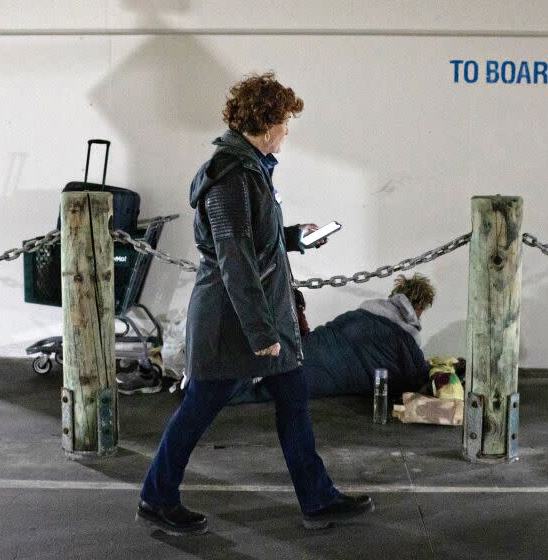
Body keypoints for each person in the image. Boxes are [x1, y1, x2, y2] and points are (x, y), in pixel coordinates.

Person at [136, 72, 374, 537]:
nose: (288, 129)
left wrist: (295, 239)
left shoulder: (251, 170)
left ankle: (318, 500)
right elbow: (235, 261)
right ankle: (156, 496)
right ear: (266, 123)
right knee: (200, 406)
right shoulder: (230, 175)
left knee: (293, 400)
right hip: (232, 321)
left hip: (258, 315)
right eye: (286, 120)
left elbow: (253, 243)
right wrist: (262, 333)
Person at [229, 273, 444, 404]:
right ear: (419, 307)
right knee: (283, 385)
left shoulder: (362, 313)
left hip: (308, 352)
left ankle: (229, 383)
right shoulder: (404, 339)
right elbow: (417, 380)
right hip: (322, 374)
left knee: (280, 372)